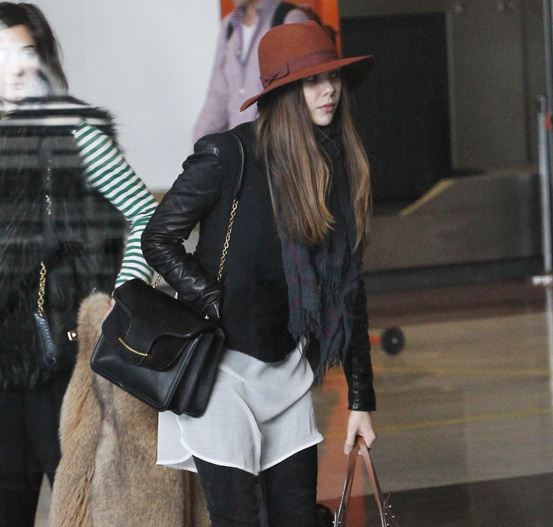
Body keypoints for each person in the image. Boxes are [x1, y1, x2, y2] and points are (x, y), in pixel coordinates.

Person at [141, 21, 377, 527]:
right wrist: (211, 299)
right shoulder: (230, 155)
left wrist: (361, 401)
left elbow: (347, 291)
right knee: (239, 519)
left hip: (286, 369)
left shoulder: (335, 165)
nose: (329, 90)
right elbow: (158, 237)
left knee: (296, 515)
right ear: (284, 92)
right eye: (313, 81)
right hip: (221, 372)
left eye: (332, 77)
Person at [0, 3, 158, 525]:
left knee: (80, 508)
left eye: (27, 52)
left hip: (58, 364)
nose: (17, 66)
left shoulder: (72, 131)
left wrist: (117, 304)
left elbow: (144, 214)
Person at [192, 0, 310, 142]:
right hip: (243, 153)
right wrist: (199, 149)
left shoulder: (289, 19)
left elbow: (303, 99)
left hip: (277, 151)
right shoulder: (229, 27)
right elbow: (218, 97)